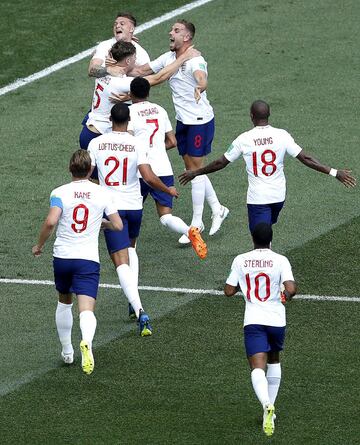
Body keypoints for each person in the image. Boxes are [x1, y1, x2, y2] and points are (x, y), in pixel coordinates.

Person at [88, 103, 206, 332]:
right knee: (131, 249)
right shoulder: (136, 144)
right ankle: (133, 302)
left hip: (112, 208)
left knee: (120, 262)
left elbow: (89, 172)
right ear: (128, 120)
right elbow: (148, 176)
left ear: (111, 119)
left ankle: (139, 309)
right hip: (134, 207)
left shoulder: (96, 143)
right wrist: (167, 189)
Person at [179, 100, 356, 232]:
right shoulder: (282, 135)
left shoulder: (244, 138)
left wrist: (196, 172)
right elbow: (306, 158)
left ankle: (267, 276)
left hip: (258, 198)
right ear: (268, 115)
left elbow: (221, 162)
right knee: (266, 233)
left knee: (260, 238)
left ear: (251, 116)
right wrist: (334, 172)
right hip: (279, 196)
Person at [127, 19, 229, 243]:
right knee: (192, 168)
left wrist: (200, 86)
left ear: (187, 38)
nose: (170, 33)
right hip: (184, 121)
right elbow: (141, 71)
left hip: (199, 122)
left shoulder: (195, 59)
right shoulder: (169, 57)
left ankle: (196, 223)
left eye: (176, 30)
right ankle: (218, 208)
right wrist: (124, 52)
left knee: (195, 172)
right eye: (171, 29)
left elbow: (202, 78)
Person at [32, 150, 123, 375]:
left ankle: (67, 352)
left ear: (69, 168)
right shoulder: (103, 194)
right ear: (91, 169)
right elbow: (119, 225)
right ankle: (87, 343)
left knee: (64, 301)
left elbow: (51, 221)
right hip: (87, 259)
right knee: (86, 308)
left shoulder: (60, 192)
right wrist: (104, 224)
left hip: (63, 257)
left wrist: (39, 245)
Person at [80, 40, 200, 174]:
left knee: (97, 180)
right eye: (134, 58)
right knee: (103, 183)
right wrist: (184, 57)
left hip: (89, 131)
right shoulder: (123, 82)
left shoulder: (103, 73)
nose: (136, 61)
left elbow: (94, 70)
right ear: (128, 61)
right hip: (100, 135)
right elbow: (157, 78)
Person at [224, 223, 297, 437]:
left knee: (257, 367)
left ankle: (266, 404)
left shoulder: (241, 259)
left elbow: (228, 290)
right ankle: (271, 410)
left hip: (253, 319)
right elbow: (291, 288)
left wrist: (242, 284)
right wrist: (287, 294)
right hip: (276, 319)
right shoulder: (280, 260)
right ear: (271, 239)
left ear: (252, 239)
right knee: (274, 360)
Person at [128, 76, 207, 259]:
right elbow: (172, 141)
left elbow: (129, 141)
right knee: (165, 217)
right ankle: (189, 231)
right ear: (148, 93)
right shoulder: (160, 110)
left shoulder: (129, 112)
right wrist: (155, 147)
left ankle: (130, 255)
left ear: (131, 94)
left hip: (139, 170)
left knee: (132, 213)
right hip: (163, 169)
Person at [88, 12, 150, 78]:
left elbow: (146, 77)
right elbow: (91, 70)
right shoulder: (105, 45)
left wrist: (117, 66)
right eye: (115, 24)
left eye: (122, 24)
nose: (117, 26)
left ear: (131, 29)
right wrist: (108, 69)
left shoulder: (141, 54)